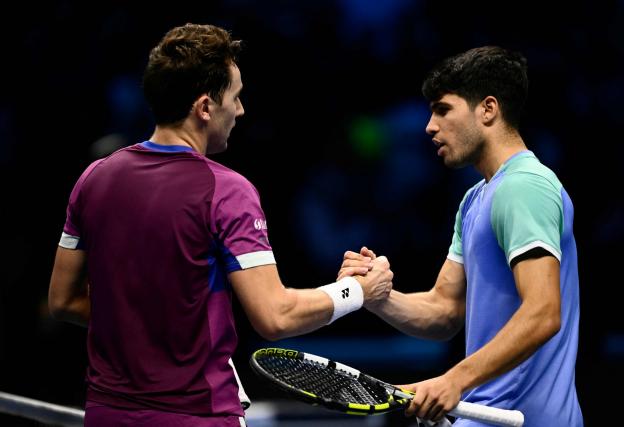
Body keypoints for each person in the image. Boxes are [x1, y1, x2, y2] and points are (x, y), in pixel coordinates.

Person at [47, 23, 393, 427]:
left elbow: (63, 301)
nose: (241, 110)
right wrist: (358, 291)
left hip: (108, 416)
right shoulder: (227, 190)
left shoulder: (94, 178)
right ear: (206, 107)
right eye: (236, 96)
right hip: (198, 416)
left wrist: (151, 322)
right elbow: (275, 316)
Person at [340, 46, 582, 426]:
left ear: (488, 109)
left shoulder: (525, 187)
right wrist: (377, 297)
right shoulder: (474, 199)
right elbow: (444, 310)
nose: (429, 126)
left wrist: (453, 380)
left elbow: (544, 312)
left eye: (442, 109)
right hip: (483, 418)